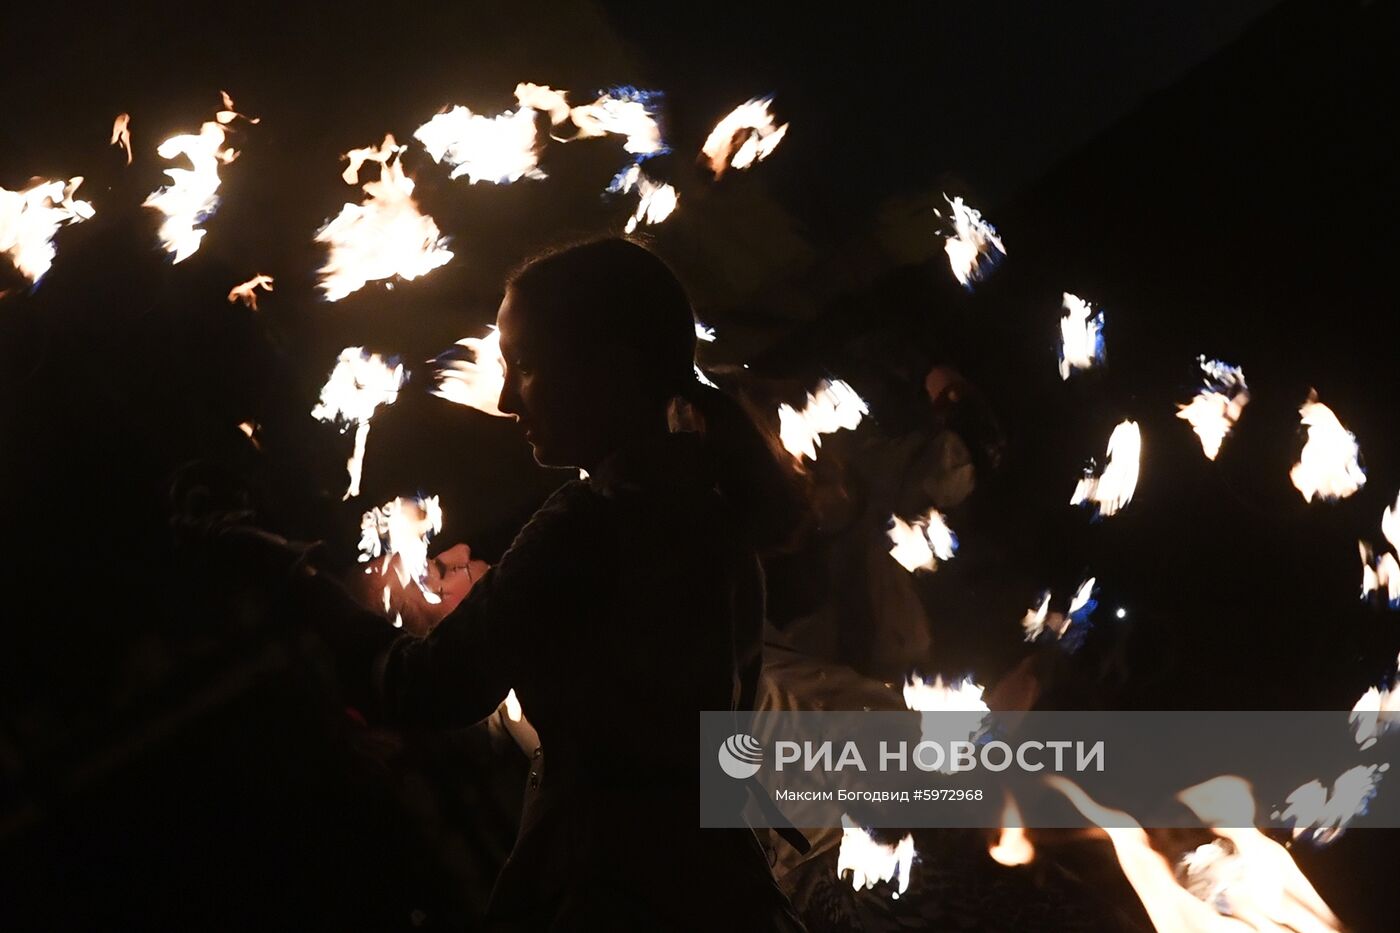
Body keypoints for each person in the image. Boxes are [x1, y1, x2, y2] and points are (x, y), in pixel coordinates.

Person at [228, 239, 810, 931]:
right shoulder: (709, 515)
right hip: (725, 896)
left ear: (611, 365)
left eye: (526, 366)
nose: (505, 398)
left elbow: (423, 686)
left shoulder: (591, 523)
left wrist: (296, 577)